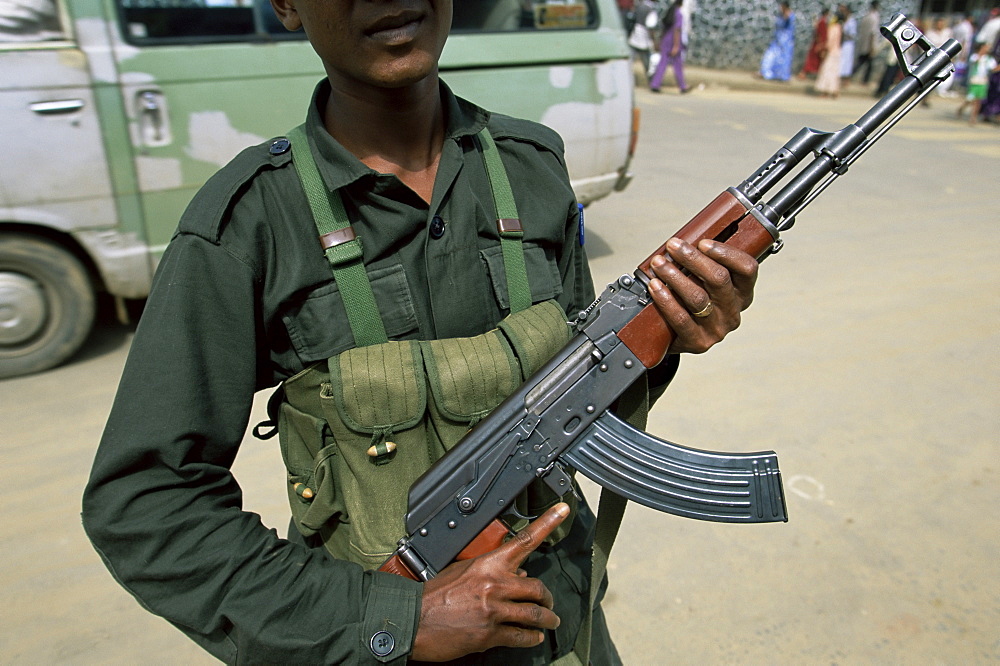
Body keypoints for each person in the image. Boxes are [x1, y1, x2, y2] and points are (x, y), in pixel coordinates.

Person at [81, 1, 760, 664]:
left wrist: (668, 334)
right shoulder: (251, 220)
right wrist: (396, 620)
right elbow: (144, 503)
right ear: (286, 7)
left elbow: (582, 401)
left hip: (566, 634)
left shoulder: (533, 168)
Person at [956, 41, 1000, 125]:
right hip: (974, 81)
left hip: (983, 81)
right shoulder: (974, 56)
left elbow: (993, 69)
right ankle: (961, 108)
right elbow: (974, 62)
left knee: (978, 100)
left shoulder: (989, 59)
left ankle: (973, 118)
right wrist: (981, 56)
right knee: (971, 99)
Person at [649, 0, 688, 93]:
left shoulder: (670, 12)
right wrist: (676, 45)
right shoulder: (679, 14)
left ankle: (655, 84)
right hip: (673, 41)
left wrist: (661, 41)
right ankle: (682, 86)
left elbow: (664, 28)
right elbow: (677, 30)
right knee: (677, 64)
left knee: (662, 63)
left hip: (665, 41)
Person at [759, 2, 796, 82]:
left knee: (783, 58)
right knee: (771, 55)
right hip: (777, 40)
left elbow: (788, 24)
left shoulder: (789, 15)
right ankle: (767, 73)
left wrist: (785, 15)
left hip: (785, 42)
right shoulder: (780, 15)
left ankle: (782, 76)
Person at [628, 0, 660, 87]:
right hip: (644, 38)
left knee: (628, 62)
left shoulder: (640, 6)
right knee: (648, 64)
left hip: (634, 36)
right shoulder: (651, 10)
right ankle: (653, 83)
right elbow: (651, 27)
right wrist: (654, 42)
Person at [815, 9, 845, 98]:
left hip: (831, 52)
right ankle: (834, 90)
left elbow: (830, 41)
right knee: (834, 72)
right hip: (837, 52)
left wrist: (825, 49)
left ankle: (826, 91)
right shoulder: (840, 28)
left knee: (827, 71)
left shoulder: (833, 28)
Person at [798, 7, 830, 80]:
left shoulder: (822, 21)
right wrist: (820, 44)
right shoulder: (821, 22)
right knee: (812, 60)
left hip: (820, 44)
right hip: (818, 44)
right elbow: (819, 34)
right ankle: (803, 73)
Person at [853, 1, 881, 85]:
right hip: (869, 44)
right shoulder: (874, 17)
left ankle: (863, 79)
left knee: (865, 62)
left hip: (864, 43)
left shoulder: (866, 16)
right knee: (864, 62)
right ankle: (863, 80)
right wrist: (872, 47)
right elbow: (873, 33)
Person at [838, 4, 857, 86]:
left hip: (848, 44)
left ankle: (846, 79)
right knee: (842, 61)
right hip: (844, 44)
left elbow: (852, 35)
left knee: (847, 62)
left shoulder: (852, 21)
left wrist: (843, 33)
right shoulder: (844, 20)